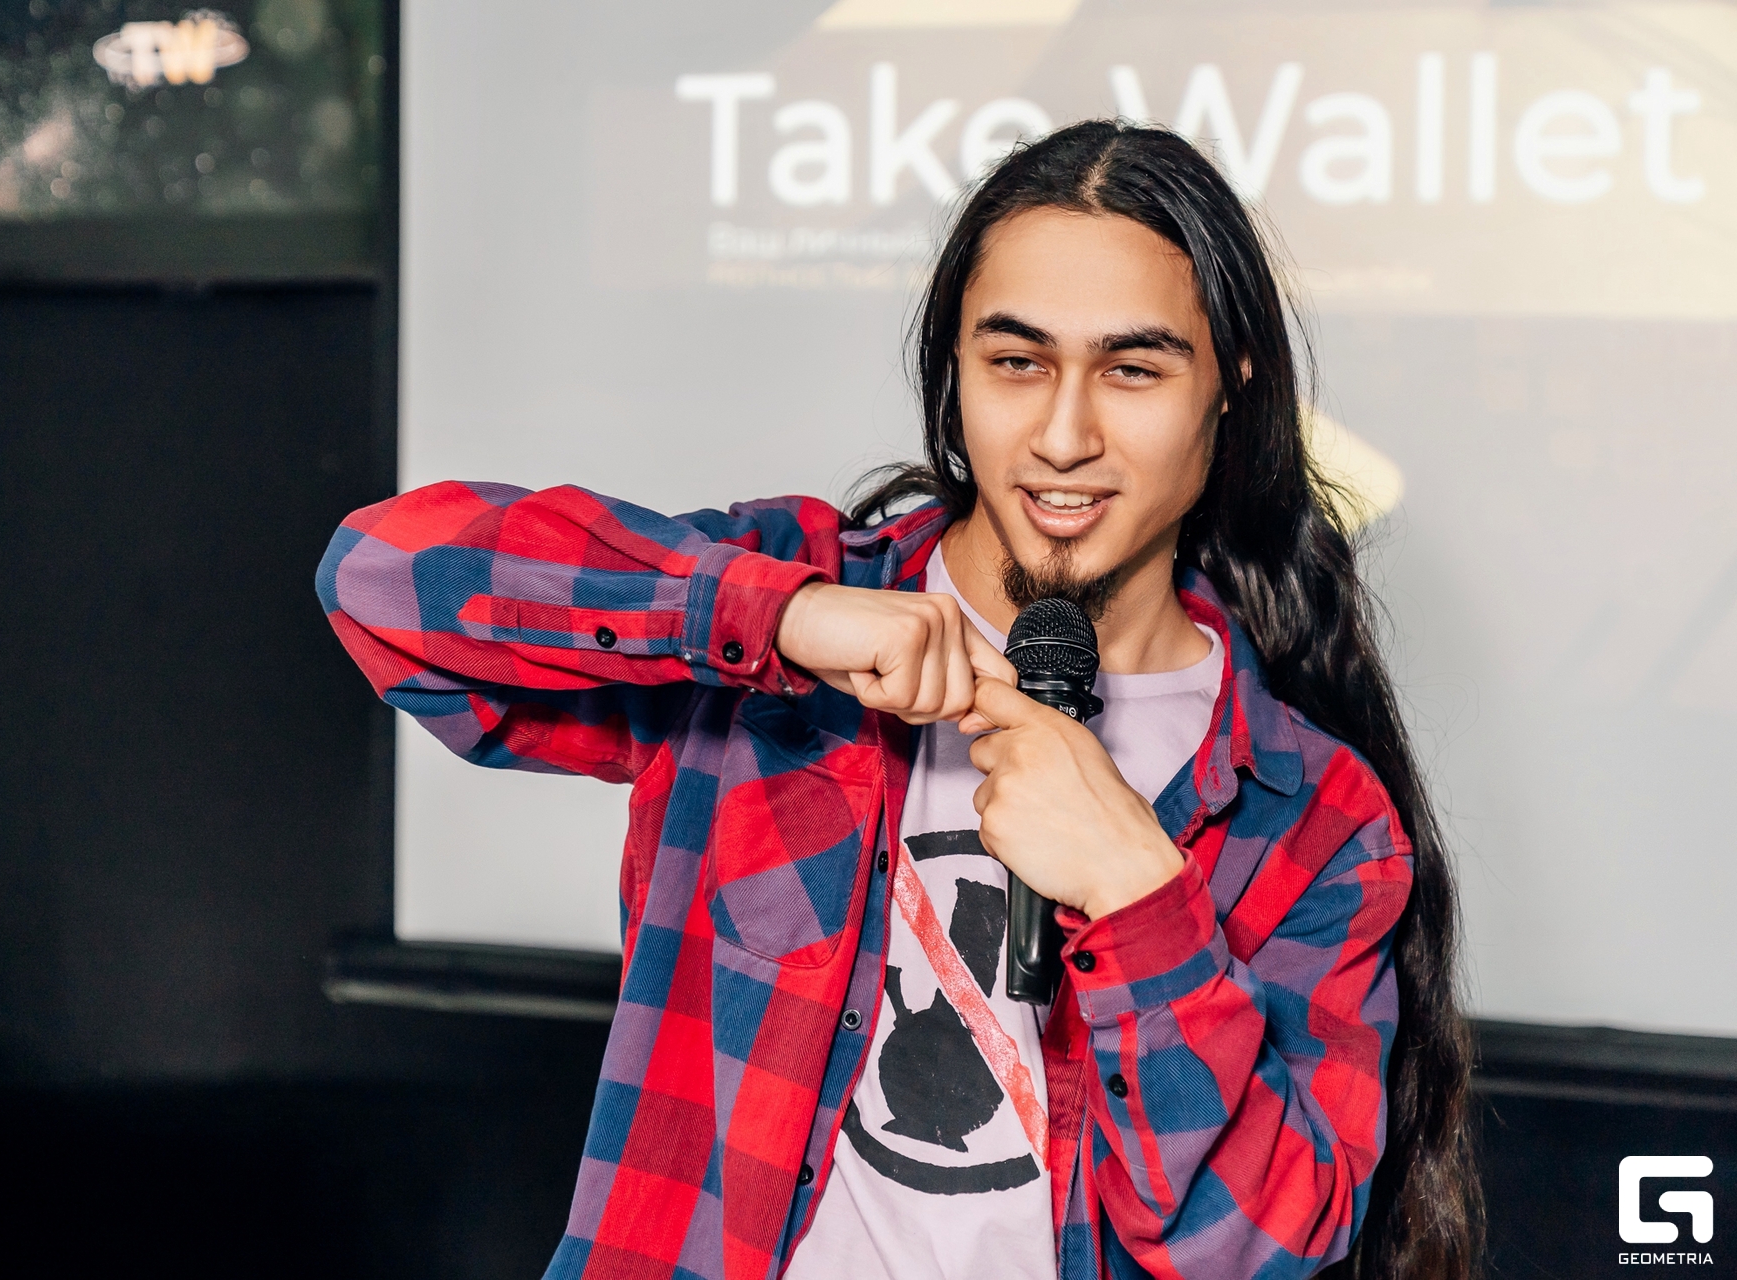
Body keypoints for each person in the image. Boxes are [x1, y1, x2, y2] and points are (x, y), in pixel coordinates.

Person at [316, 121, 1480, 1279]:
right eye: (1015, 361)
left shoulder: (1313, 812)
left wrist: (1137, 890)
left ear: (1231, 384)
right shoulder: (786, 611)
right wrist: (780, 616)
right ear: (953, 368)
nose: (1063, 435)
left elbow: (1257, 1246)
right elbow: (381, 582)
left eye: (1133, 369)